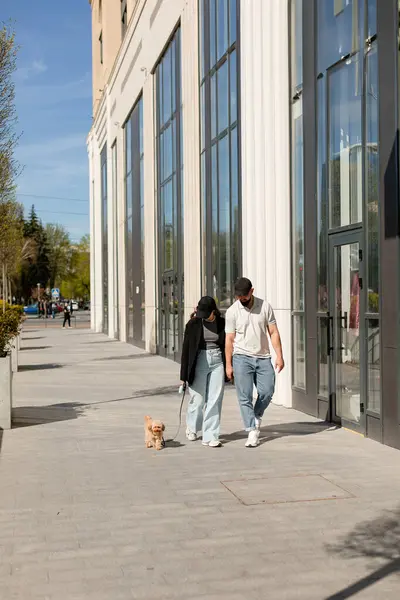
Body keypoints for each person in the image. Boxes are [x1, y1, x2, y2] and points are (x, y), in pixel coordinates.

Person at [225, 277, 284, 448]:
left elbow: (273, 332)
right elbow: (229, 339)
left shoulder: (265, 307)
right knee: (244, 396)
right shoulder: (232, 311)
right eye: (238, 296)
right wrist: (228, 364)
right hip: (241, 357)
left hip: (263, 356)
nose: (241, 299)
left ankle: (256, 416)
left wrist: (279, 355)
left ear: (252, 291)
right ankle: (251, 430)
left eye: (244, 295)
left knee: (267, 391)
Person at [180, 296, 226, 448]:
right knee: (198, 399)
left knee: (215, 400)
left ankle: (210, 436)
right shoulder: (193, 324)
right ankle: (192, 427)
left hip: (217, 360)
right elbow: (186, 350)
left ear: (213, 311)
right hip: (199, 360)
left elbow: (228, 344)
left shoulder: (222, 323)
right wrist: (183, 376)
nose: (203, 317)